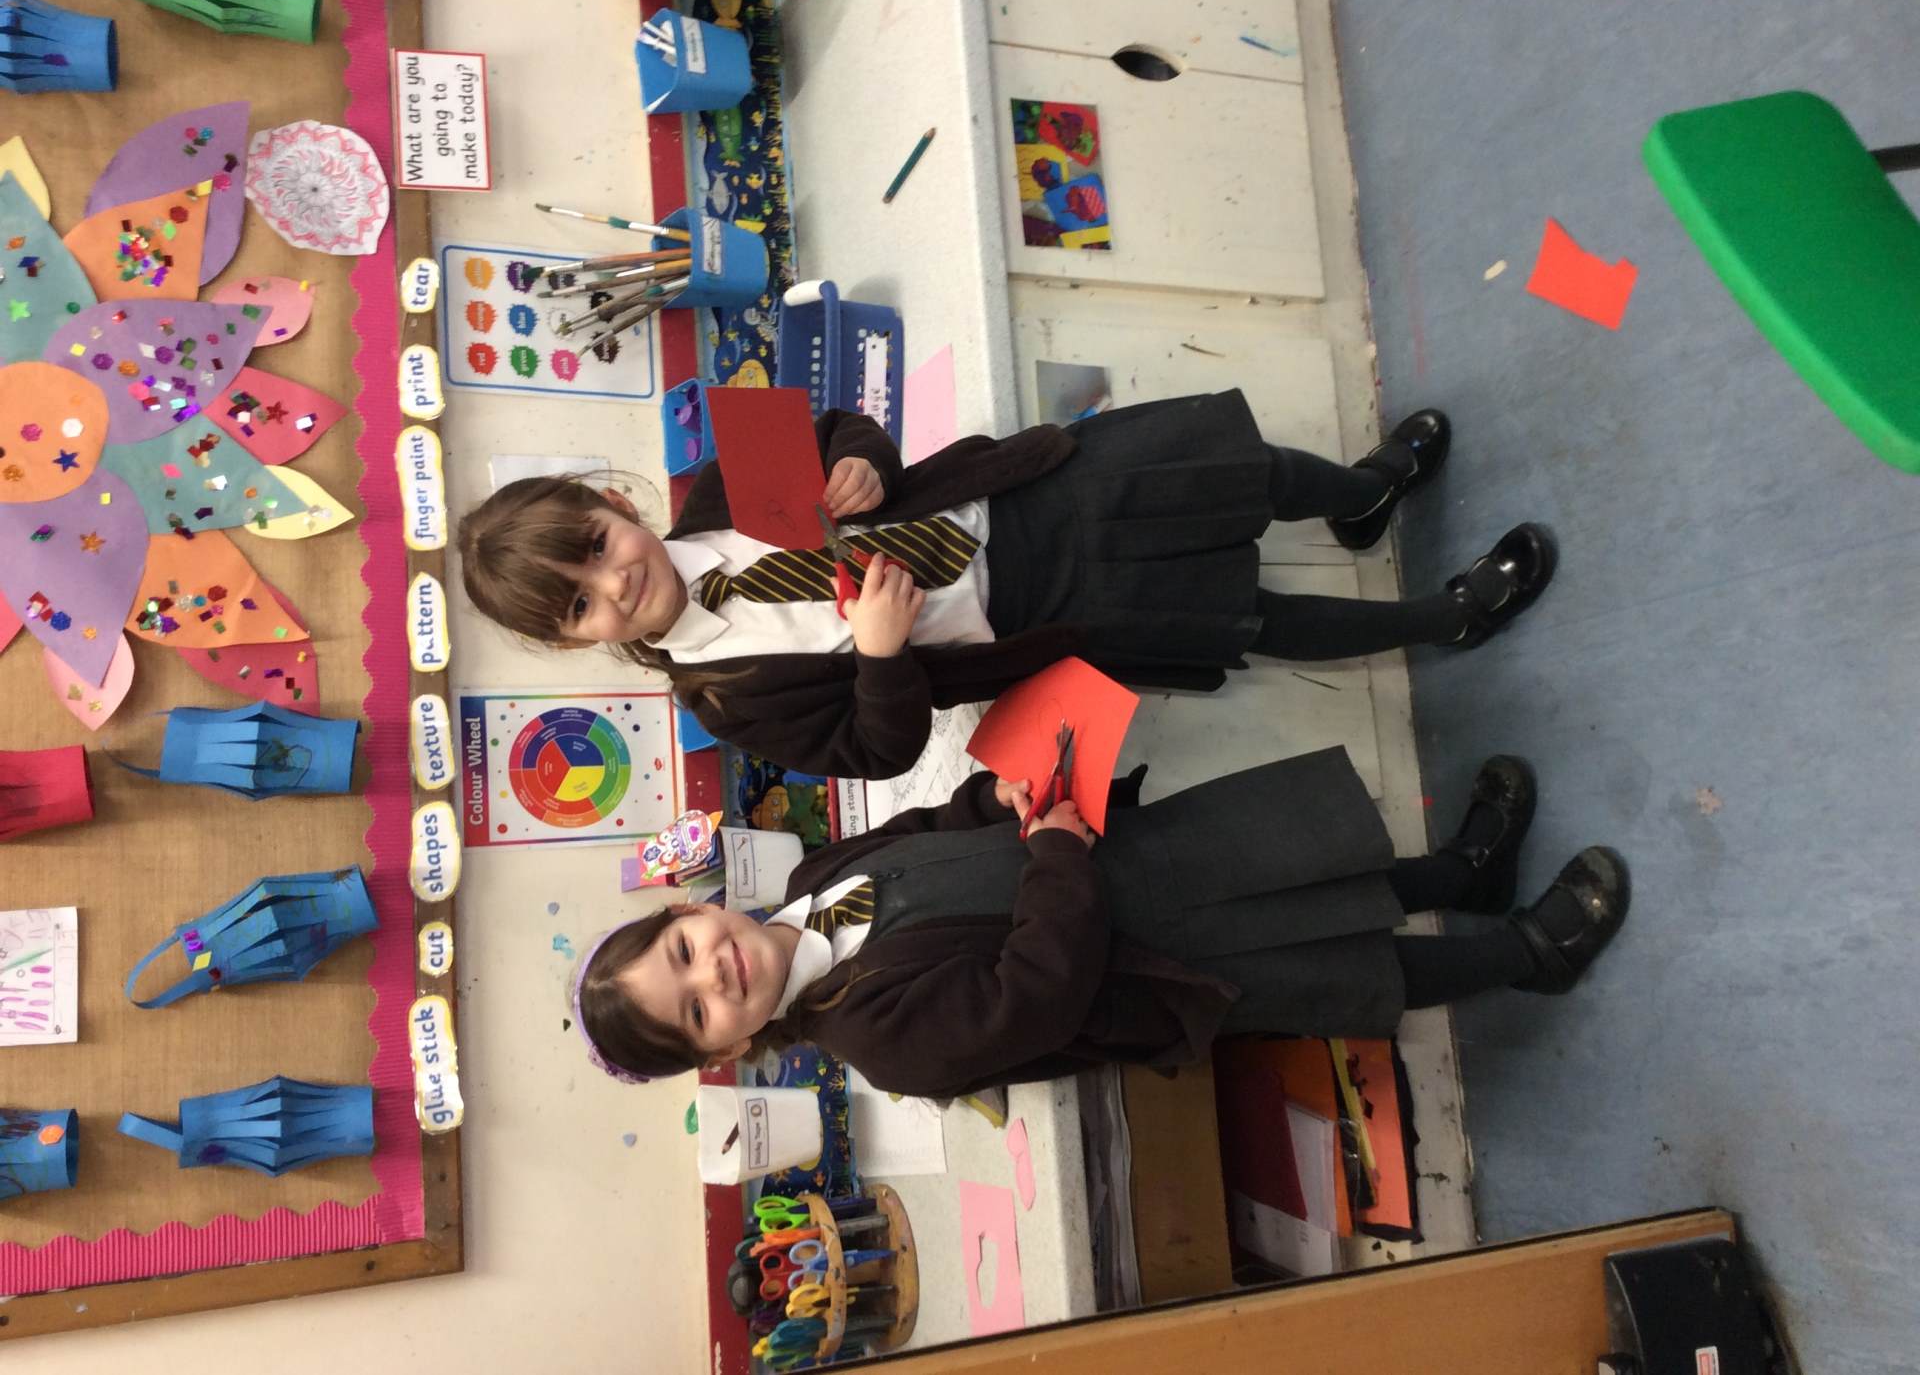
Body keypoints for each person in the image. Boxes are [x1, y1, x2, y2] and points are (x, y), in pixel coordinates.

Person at [456, 393, 1554, 778]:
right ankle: (1444, 619)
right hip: (1036, 614)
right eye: (582, 603)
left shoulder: (715, 490)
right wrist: (880, 657)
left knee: (1237, 473)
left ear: (614, 502)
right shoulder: (727, 698)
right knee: (1250, 617)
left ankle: (1364, 491)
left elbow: (841, 426)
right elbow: (876, 750)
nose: (617, 580)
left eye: (595, 543)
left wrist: (862, 462)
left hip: (1021, 496)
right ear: (576, 641)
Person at [568, 751, 1629, 1099]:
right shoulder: (876, 1039)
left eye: (682, 952)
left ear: (691, 908)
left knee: (1311, 872)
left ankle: (1463, 872)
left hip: (1133, 867)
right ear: (729, 1050)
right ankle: (1524, 957)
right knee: (1345, 960)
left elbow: (929, 830)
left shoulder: (812, 879)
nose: (714, 974)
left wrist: (998, 799)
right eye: (696, 1012)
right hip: (1149, 957)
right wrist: (1055, 856)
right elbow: (1034, 994)